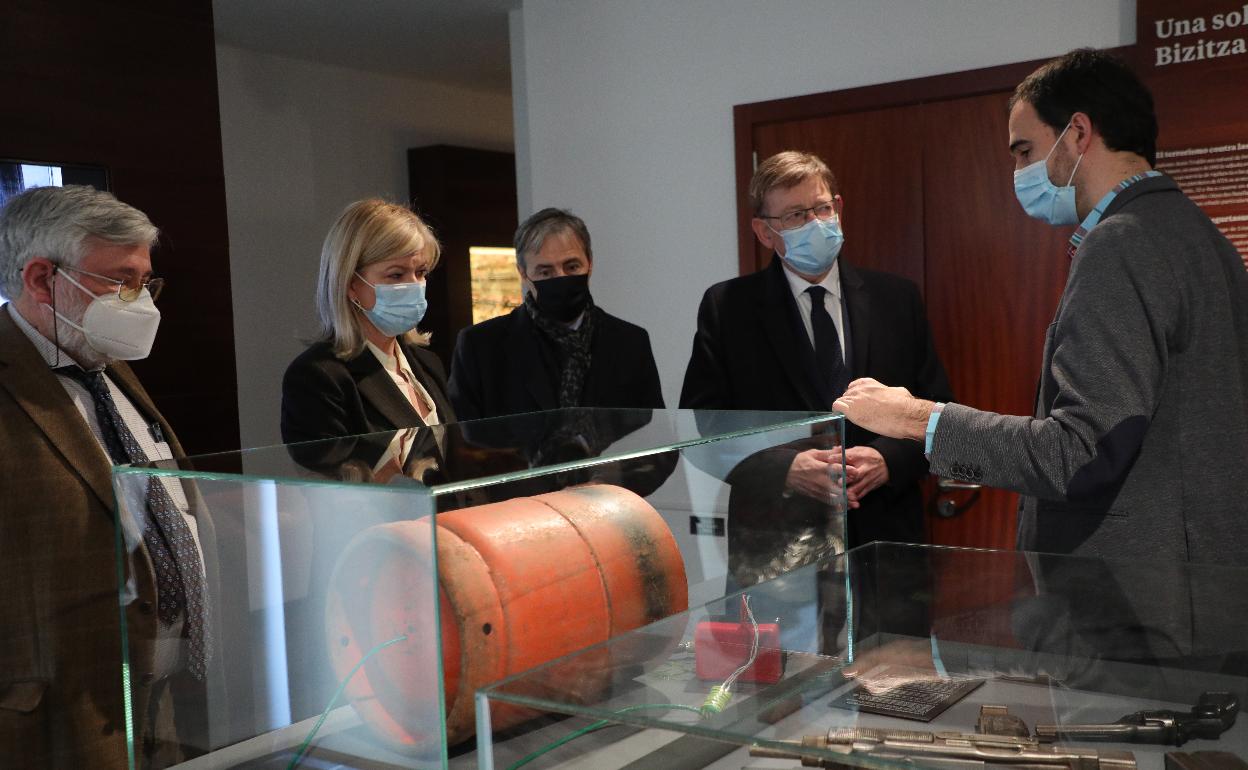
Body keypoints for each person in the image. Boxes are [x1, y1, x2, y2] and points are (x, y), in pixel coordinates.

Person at [834, 48, 1248, 565]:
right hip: (1199, 583)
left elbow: (1078, 453)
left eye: (1024, 150)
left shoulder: (1120, 242)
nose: (1017, 169)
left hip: (1139, 601)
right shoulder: (1199, 234)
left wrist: (917, 418)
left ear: (1077, 134)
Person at [0, 185, 216, 767]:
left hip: (165, 702)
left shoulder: (106, 364)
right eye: (120, 281)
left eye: (145, 282)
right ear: (42, 279)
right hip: (54, 715)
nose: (140, 301)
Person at [680, 151, 953, 550]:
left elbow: (939, 411)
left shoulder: (897, 299)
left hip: (887, 540)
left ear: (838, 208)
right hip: (777, 550)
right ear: (763, 232)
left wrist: (887, 461)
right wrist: (786, 469)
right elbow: (703, 431)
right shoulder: (729, 309)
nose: (813, 223)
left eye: (822, 208)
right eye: (794, 216)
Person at [281, 200, 455, 478]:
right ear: (351, 284)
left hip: (445, 520)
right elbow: (335, 486)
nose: (413, 285)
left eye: (420, 272)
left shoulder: (427, 362)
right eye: (396, 274)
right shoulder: (317, 376)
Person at [448, 207, 664, 420]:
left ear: (590, 263)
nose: (560, 278)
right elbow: (463, 443)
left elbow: (659, 439)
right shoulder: (480, 347)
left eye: (571, 267)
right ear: (523, 273)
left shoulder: (631, 342)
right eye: (545, 271)